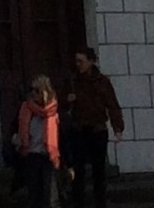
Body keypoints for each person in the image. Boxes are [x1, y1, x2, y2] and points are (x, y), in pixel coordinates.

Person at [62, 46, 125, 208]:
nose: (78, 64)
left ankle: (100, 201)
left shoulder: (102, 81)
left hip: (97, 129)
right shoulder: (72, 80)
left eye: (81, 61)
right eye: (76, 61)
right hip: (79, 128)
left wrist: (117, 128)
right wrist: (67, 100)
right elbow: (61, 105)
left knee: (99, 170)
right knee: (78, 169)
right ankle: (78, 201)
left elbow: (112, 105)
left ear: (90, 62)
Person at [10, 75, 63, 208]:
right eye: (32, 90)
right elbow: (14, 128)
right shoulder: (25, 109)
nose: (33, 94)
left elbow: (63, 137)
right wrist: (16, 138)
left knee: (52, 198)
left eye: (37, 91)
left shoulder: (54, 111)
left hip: (48, 158)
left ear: (46, 92)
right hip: (30, 156)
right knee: (33, 197)